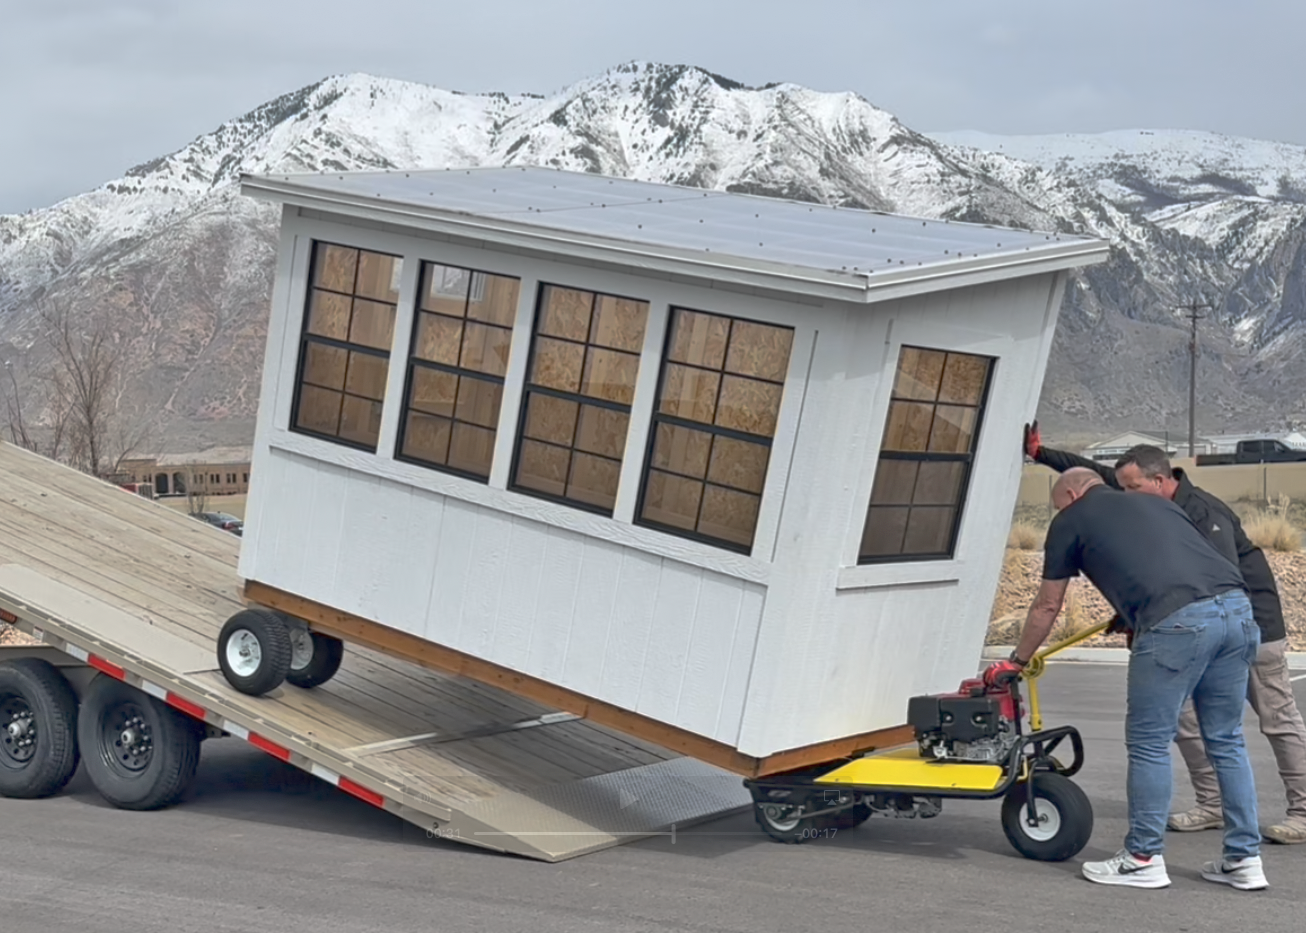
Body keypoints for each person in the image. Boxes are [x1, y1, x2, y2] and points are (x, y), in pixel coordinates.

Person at [985, 468, 1267, 890]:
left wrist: (1016, 661)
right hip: (1237, 611)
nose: (1059, 513)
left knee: (1150, 742)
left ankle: (1142, 858)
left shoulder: (1071, 519)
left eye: (1059, 505)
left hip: (1177, 625)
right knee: (1226, 740)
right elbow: (1175, 561)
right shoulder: (1155, 503)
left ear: (1071, 494)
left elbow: (1047, 604)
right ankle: (1245, 860)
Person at [1024, 422, 1306, 845]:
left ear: (1160, 480)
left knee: (1275, 719)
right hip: (1185, 625)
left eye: (1133, 487)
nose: (1125, 496)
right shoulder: (1146, 502)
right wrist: (1044, 455)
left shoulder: (1202, 512)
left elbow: (1217, 578)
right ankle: (1211, 806)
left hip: (1250, 624)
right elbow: (1090, 479)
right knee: (1184, 720)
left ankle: (1303, 809)